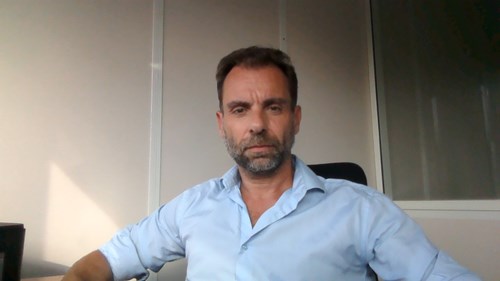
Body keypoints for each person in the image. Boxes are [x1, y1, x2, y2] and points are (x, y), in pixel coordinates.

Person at [62, 46, 480, 281]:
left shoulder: (362, 209)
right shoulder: (191, 207)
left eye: (274, 107)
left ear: (295, 118)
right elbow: (105, 261)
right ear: (222, 124)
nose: (257, 125)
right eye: (241, 110)